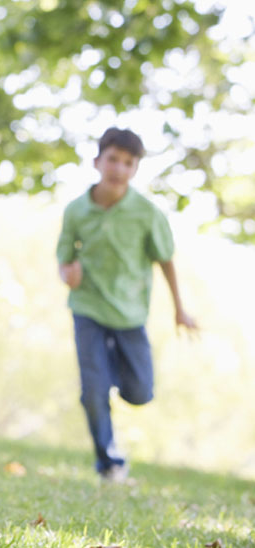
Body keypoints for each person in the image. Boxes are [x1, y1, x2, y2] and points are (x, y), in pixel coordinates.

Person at [56, 127, 197, 482]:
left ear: (135, 169)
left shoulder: (147, 213)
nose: (119, 168)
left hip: (130, 314)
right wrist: (67, 273)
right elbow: (63, 256)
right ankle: (110, 464)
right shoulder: (77, 209)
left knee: (140, 393)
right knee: (92, 392)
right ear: (97, 161)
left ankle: (109, 368)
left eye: (128, 163)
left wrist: (179, 308)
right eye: (113, 159)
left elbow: (166, 260)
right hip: (87, 308)